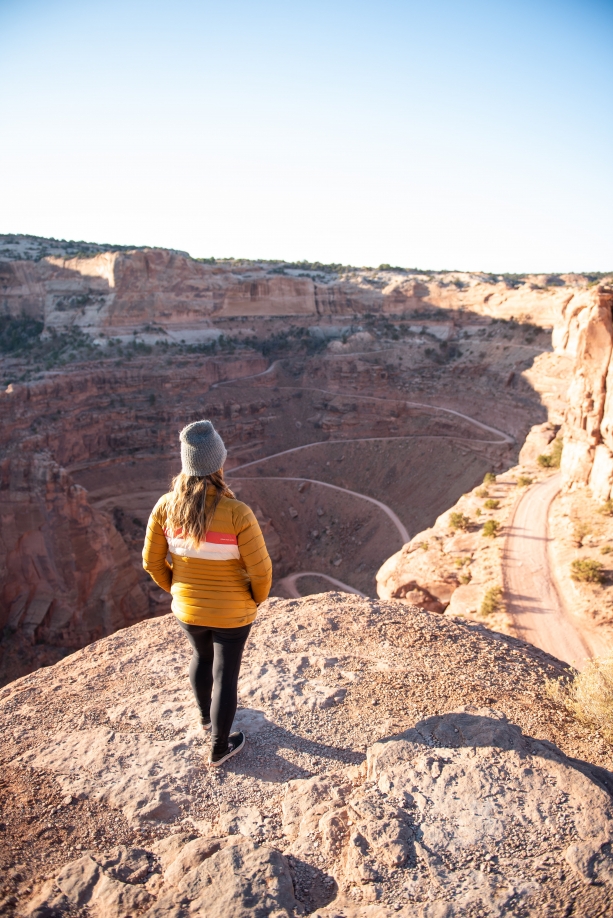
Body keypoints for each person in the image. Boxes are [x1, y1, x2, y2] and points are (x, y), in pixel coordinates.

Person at [142, 419, 272, 766]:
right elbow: (261, 571)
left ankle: (204, 719)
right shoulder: (237, 513)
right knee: (225, 676)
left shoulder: (165, 507)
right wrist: (254, 599)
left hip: (189, 610)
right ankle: (219, 746)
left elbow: (151, 563)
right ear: (218, 462)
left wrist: (179, 591)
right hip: (232, 614)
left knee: (201, 658)